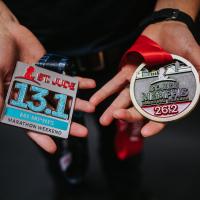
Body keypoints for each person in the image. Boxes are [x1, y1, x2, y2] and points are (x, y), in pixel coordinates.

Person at [0, 0, 200, 200]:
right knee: (55, 148)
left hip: (131, 56)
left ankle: (126, 188)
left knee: (124, 144)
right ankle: (68, 189)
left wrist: (173, 14)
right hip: (37, 63)